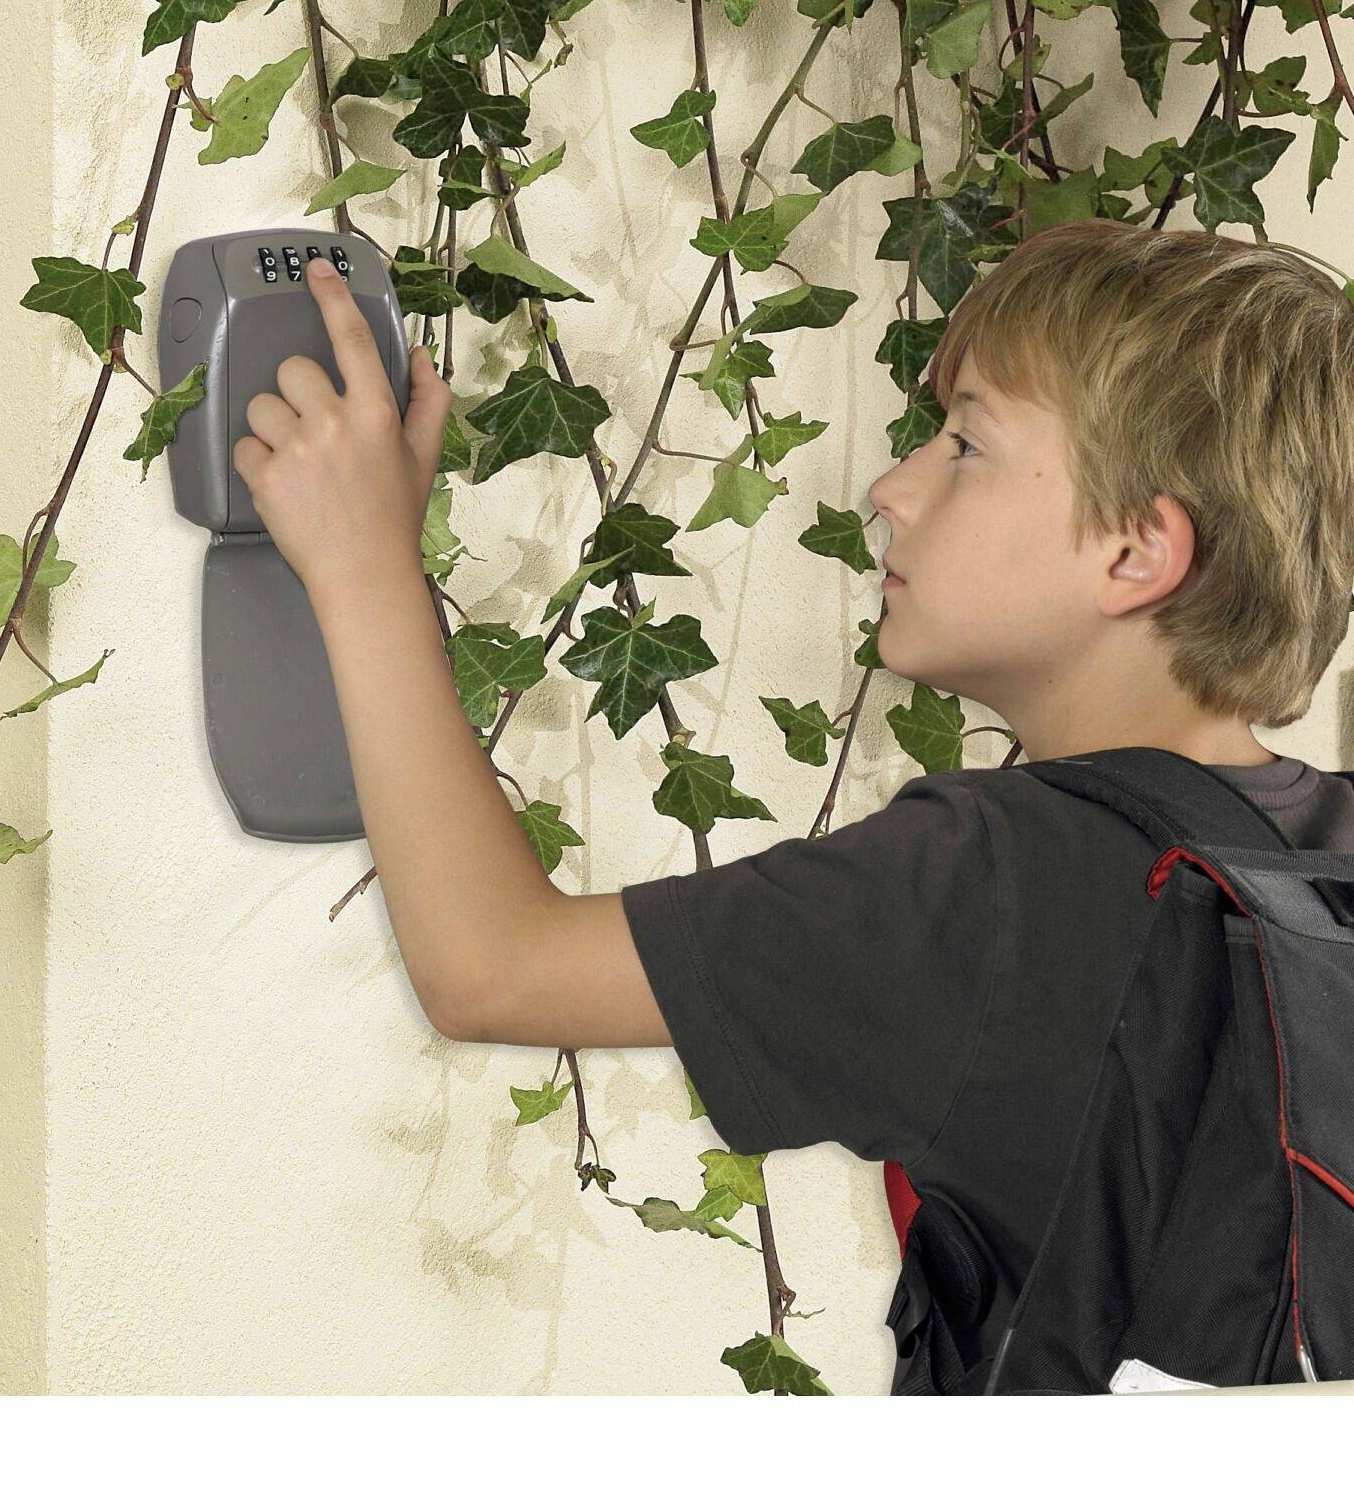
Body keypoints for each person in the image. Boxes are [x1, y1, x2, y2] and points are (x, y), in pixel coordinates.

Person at [227, 218, 1354, 1381]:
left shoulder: (995, 878)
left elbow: (490, 964)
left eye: (964, 445)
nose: (891, 487)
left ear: (1136, 552)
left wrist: (363, 566)